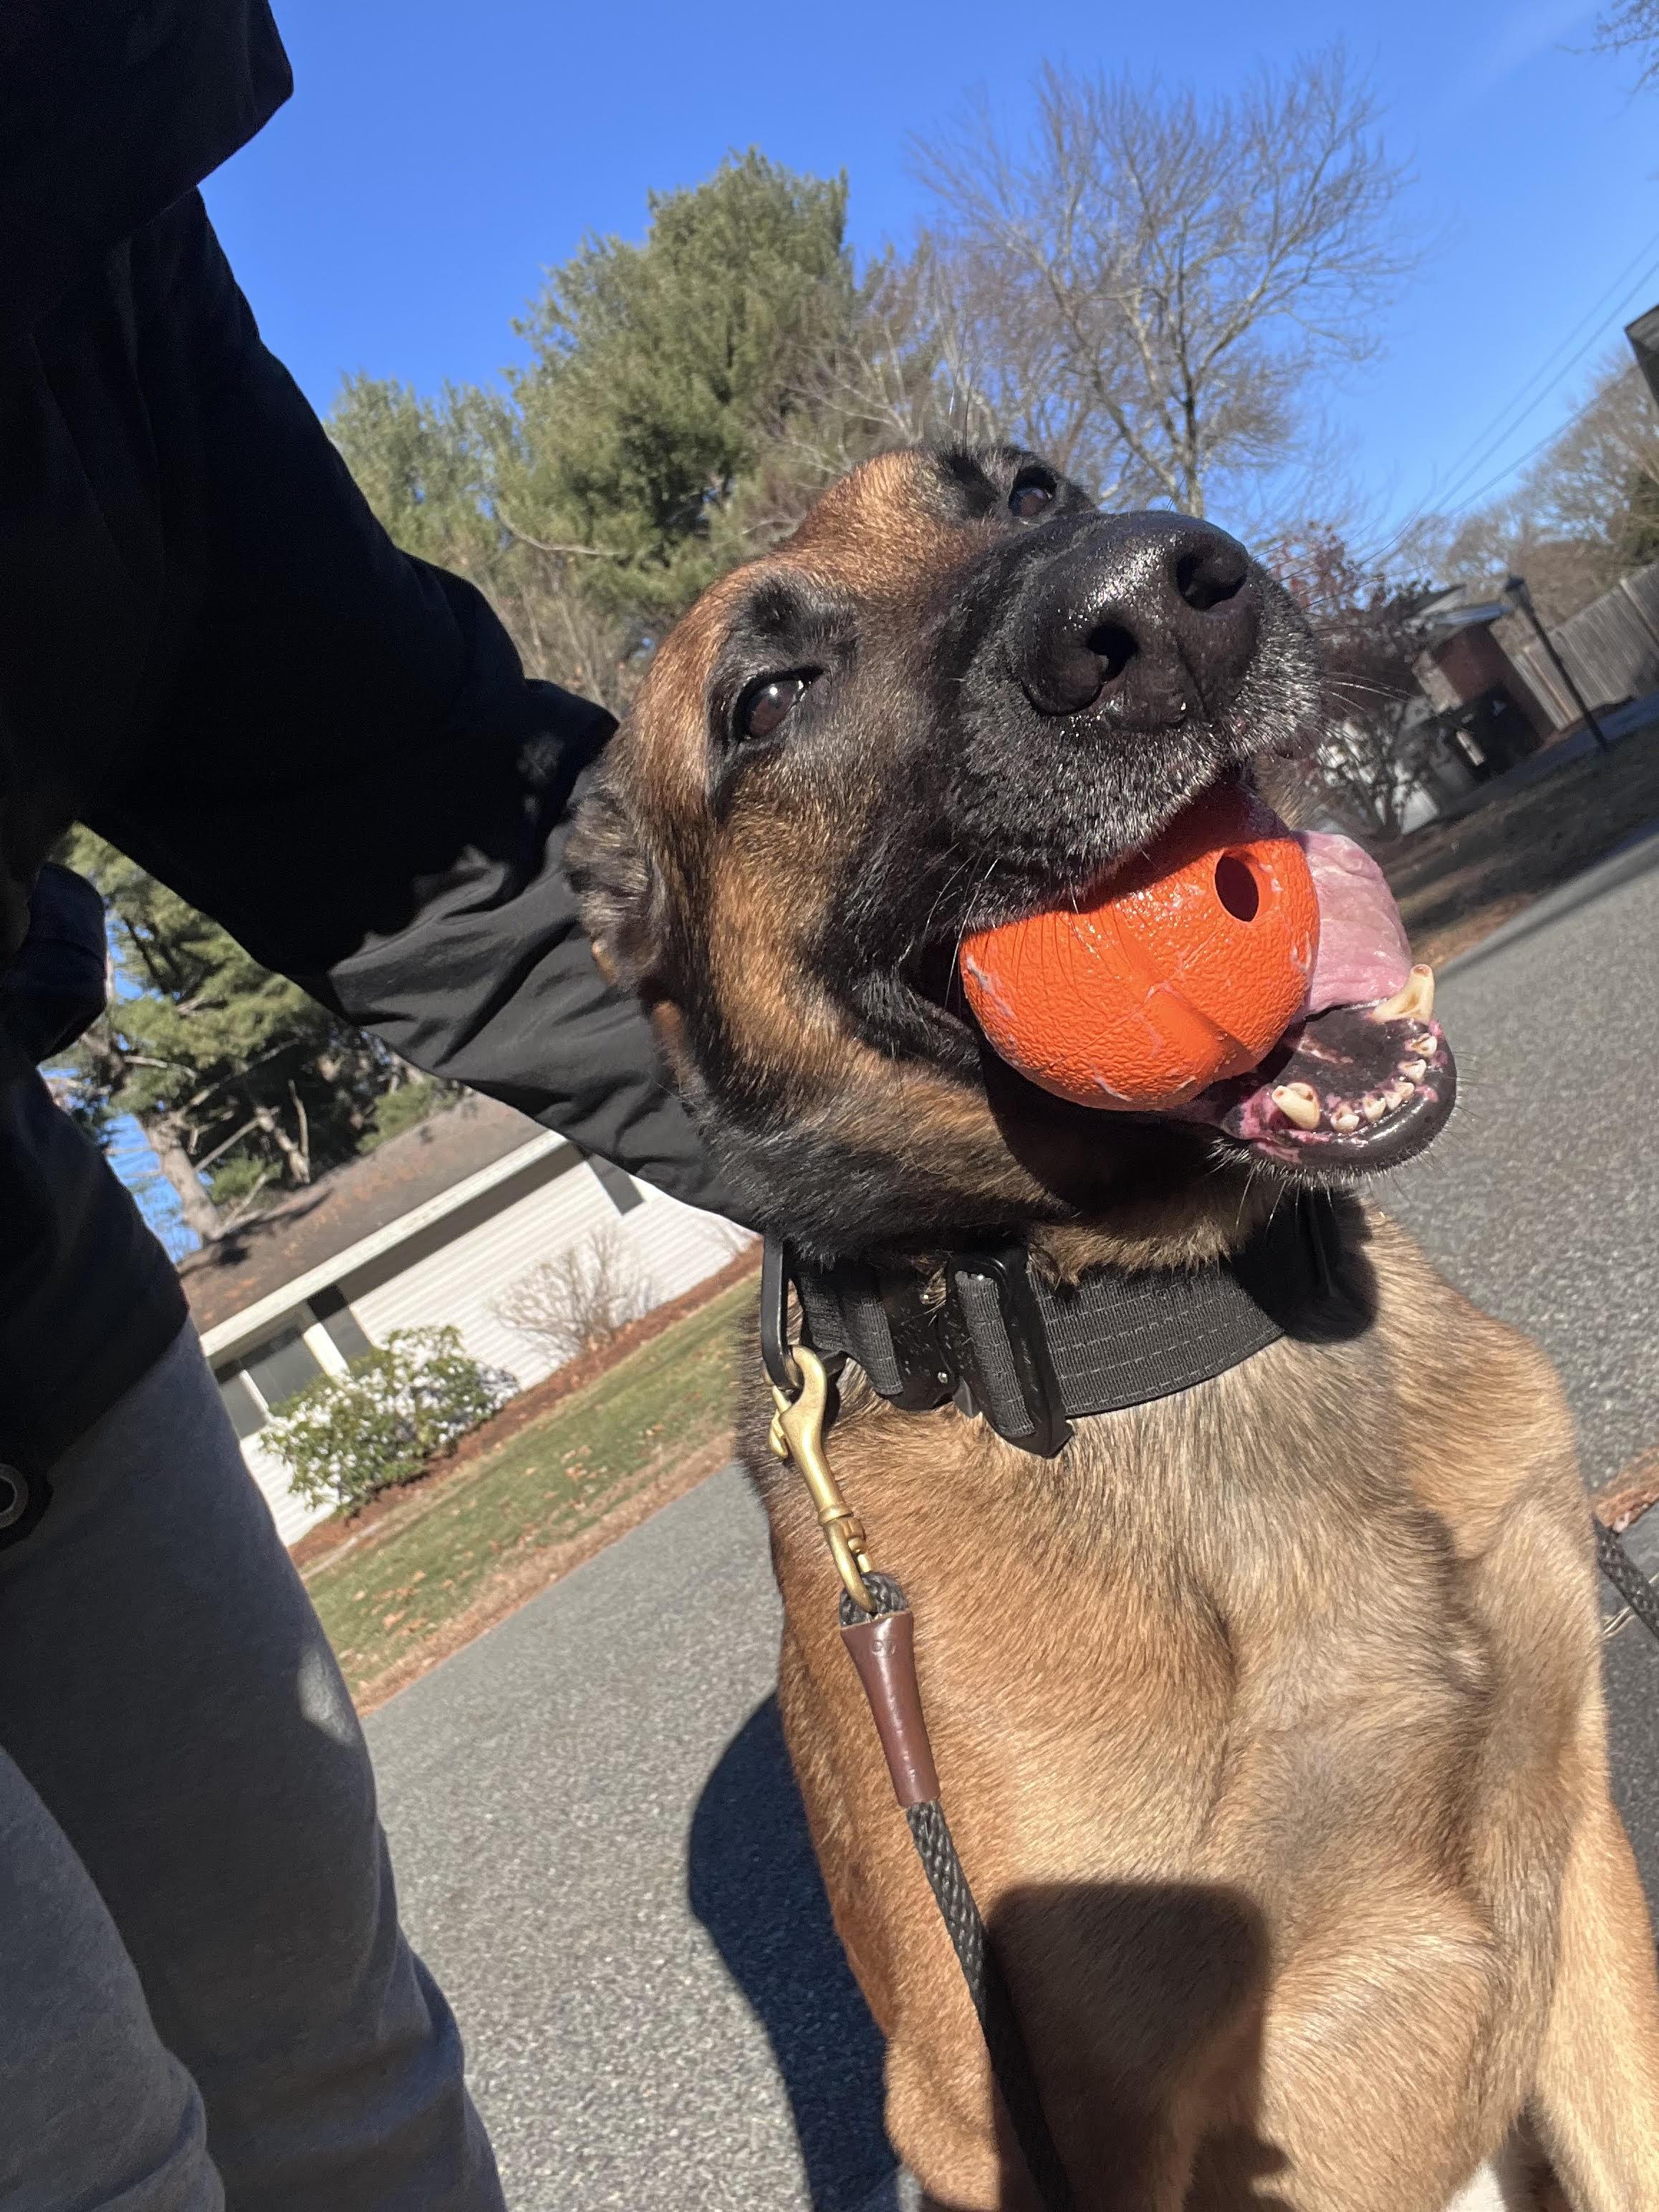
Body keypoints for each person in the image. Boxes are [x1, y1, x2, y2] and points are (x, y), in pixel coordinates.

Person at [0, 6, 733, 2204]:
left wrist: (936, 1132)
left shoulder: (79, 162)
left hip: (28, 1304)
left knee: (335, 2069)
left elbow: (400, 808)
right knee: (81, 2144)